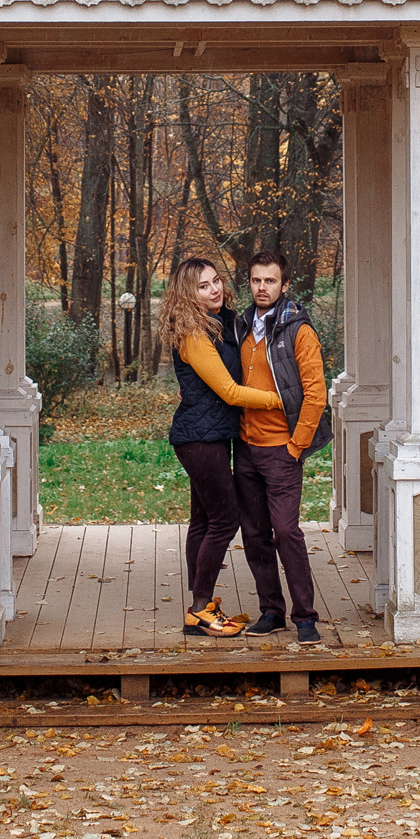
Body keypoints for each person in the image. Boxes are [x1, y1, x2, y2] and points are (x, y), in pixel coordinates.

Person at [163, 256, 284, 638]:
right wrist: (280, 400)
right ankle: (200, 609)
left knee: (203, 520)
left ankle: (200, 606)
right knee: (224, 520)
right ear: (188, 294)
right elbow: (230, 392)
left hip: (210, 434)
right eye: (203, 286)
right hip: (201, 439)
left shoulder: (219, 322)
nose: (214, 289)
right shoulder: (194, 335)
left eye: (216, 281)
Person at [231, 248, 331, 644]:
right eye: (256, 280)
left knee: (286, 531)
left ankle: (305, 616)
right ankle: (271, 611)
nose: (262, 287)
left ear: (284, 285)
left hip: (281, 449)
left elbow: (316, 394)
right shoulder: (240, 326)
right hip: (247, 447)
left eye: (270, 280)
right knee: (254, 533)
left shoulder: (298, 330)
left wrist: (296, 446)